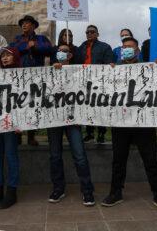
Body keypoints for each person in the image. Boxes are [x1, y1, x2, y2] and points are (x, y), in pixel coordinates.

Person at [101, 36, 157, 210]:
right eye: (124, 47)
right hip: (121, 122)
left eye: (130, 47)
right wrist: (108, 73)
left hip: (143, 123)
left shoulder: (148, 67)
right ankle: (115, 193)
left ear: (137, 51)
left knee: (151, 161)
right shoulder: (114, 69)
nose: (127, 49)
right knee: (118, 160)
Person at [48, 43, 95, 206]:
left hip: (73, 120)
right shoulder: (49, 71)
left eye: (65, 51)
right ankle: (58, 189)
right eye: (58, 51)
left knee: (80, 155)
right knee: (55, 156)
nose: (61, 53)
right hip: (54, 119)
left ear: (70, 56)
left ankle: (87, 190)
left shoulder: (78, 70)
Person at [0, 47, 22, 210]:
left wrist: (21, 122)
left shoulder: (22, 75)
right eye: (3, 56)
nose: (5, 58)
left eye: (8, 55)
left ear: (15, 57)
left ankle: (12, 191)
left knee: (10, 155)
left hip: (12, 123)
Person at [10, 15, 52, 146]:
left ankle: (31, 135)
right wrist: (26, 47)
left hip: (36, 77)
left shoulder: (41, 39)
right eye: (23, 23)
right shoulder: (17, 39)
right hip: (19, 77)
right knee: (19, 105)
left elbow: (49, 50)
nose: (24, 25)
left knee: (33, 105)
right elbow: (12, 51)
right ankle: (17, 133)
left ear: (33, 26)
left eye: (27, 23)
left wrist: (35, 47)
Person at [79, 24, 113, 144]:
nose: (89, 34)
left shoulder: (105, 47)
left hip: (100, 82)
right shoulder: (81, 47)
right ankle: (89, 133)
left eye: (92, 32)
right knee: (88, 108)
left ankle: (101, 133)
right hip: (85, 83)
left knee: (100, 108)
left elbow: (109, 63)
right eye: (87, 32)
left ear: (97, 34)